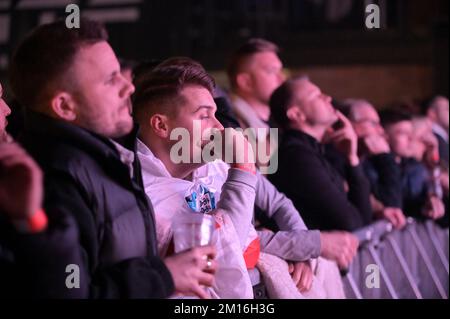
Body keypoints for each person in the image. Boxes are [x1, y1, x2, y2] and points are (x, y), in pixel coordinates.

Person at [8, 19, 216, 298]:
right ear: (64, 106)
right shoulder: (51, 177)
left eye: (120, 73)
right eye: (109, 80)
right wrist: (163, 275)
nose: (128, 87)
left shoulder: (103, 158)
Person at [133, 57, 357, 298]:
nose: (220, 127)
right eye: (204, 116)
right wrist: (243, 169)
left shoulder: (214, 163)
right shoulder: (141, 192)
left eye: (216, 114)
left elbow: (265, 218)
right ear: (161, 125)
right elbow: (222, 253)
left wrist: (302, 250)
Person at [268, 77, 373, 231]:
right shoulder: (296, 157)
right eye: (316, 96)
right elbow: (351, 223)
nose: (328, 98)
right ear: (297, 114)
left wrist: (352, 158)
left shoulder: (312, 151)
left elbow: (361, 221)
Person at [344, 99, 406, 229]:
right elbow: (391, 204)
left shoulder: (368, 163)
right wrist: (385, 158)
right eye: (373, 123)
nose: (381, 130)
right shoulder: (338, 162)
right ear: (350, 124)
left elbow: (392, 205)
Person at [226, 38, 286, 172]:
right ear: (245, 82)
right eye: (271, 71)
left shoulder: (272, 124)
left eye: (280, 70)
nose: (282, 79)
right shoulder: (230, 128)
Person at [381, 110, 445, 221]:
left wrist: (429, 200)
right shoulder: (375, 168)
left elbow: (416, 198)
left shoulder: (411, 164)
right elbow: (395, 204)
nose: (410, 139)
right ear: (384, 137)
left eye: (411, 133)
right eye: (402, 133)